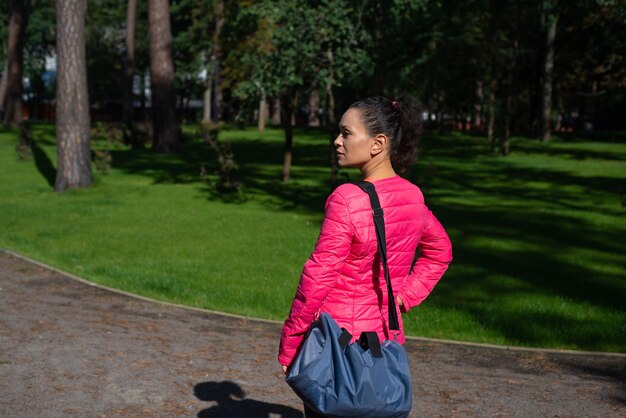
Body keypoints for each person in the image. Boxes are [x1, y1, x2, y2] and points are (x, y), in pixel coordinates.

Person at [278, 96, 453, 418]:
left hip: (336, 347)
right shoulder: (412, 196)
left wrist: (292, 342)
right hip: (385, 342)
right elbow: (440, 251)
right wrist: (403, 297)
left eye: (346, 133)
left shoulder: (347, 199)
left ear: (378, 143)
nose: (337, 140)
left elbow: (318, 277)